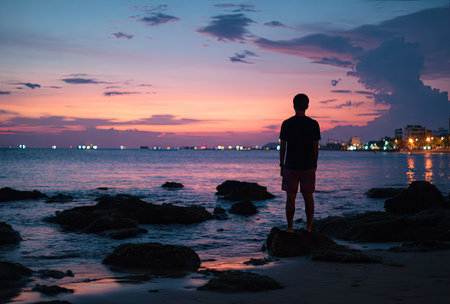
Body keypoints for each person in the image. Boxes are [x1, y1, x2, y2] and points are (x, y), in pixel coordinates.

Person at [279, 93, 320, 233]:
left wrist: (281, 165)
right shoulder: (313, 124)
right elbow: (315, 147)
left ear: (293, 105)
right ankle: (309, 228)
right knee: (308, 197)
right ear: (307, 106)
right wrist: (315, 164)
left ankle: (290, 228)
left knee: (291, 196)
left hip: (290, 165)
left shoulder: (287, 123)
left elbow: (283, 146)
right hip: (308, 165)